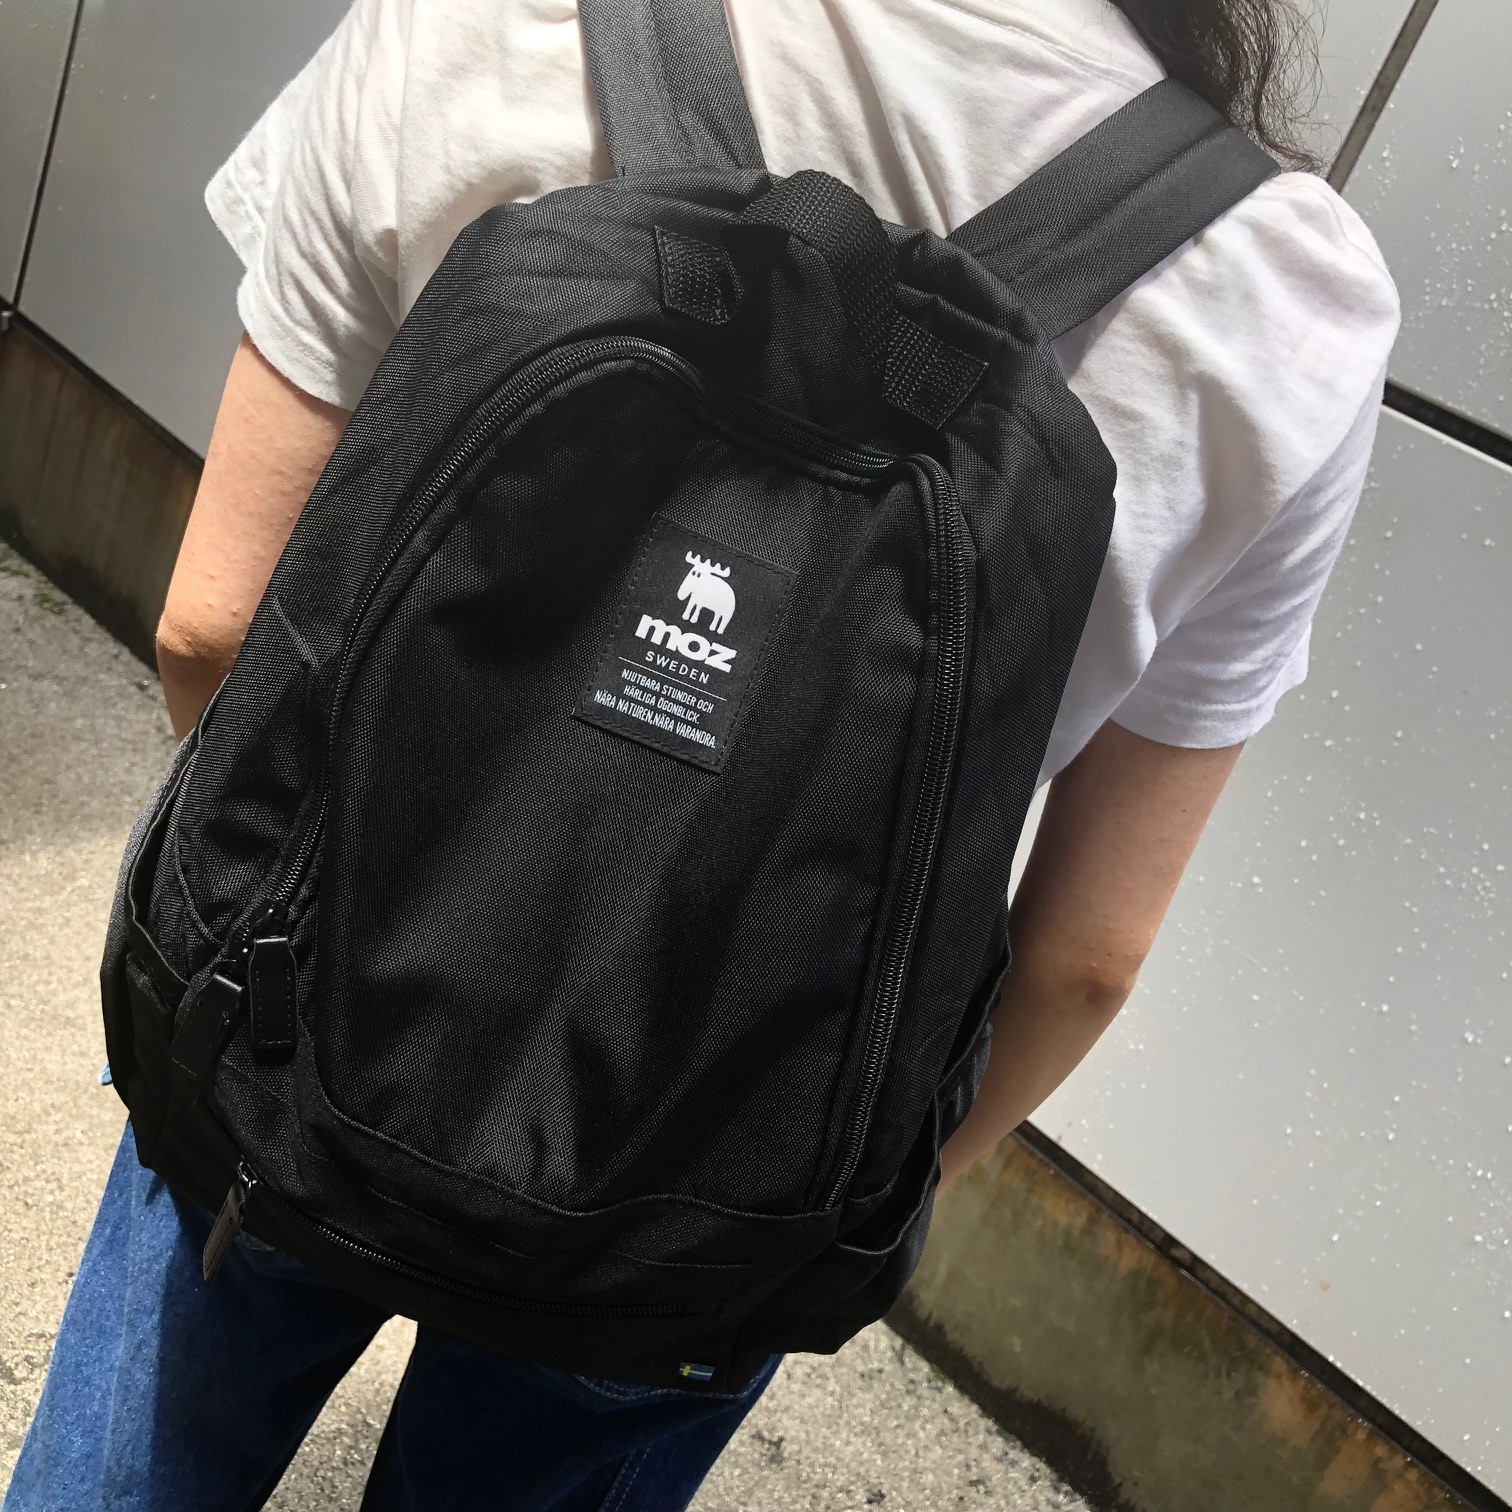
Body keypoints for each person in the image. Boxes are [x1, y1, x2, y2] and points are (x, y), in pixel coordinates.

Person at [6, 1, 1399, 1508]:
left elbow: (214, 628)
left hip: (296, 1034)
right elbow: (1083, 963)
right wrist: (827, 1201)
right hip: (705, 1201)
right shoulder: (1288, 295)